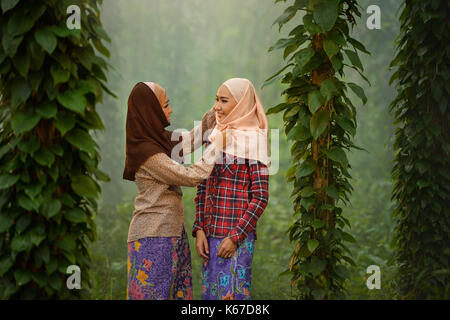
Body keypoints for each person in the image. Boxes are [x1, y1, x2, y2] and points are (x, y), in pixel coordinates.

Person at [123, 81, 227, 300]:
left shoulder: (157, 140)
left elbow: (192, 138)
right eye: (165, 105)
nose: (170, 110)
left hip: (171, 232)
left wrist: (217, 108)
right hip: (154, 236)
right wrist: (217, 145)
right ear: (150, 111)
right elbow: (191, 176)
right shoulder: (147, 152)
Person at [192, 78, 270, 300]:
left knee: (233, 299)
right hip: (209, 239)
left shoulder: (255, 140)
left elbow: (261, 197)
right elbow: (202, 186)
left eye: (223, 101)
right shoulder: (216, 136)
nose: (216, 106)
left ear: (240, 104)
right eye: (216, 100)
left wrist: (235, 237)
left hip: (236, 241)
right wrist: (199, 229)